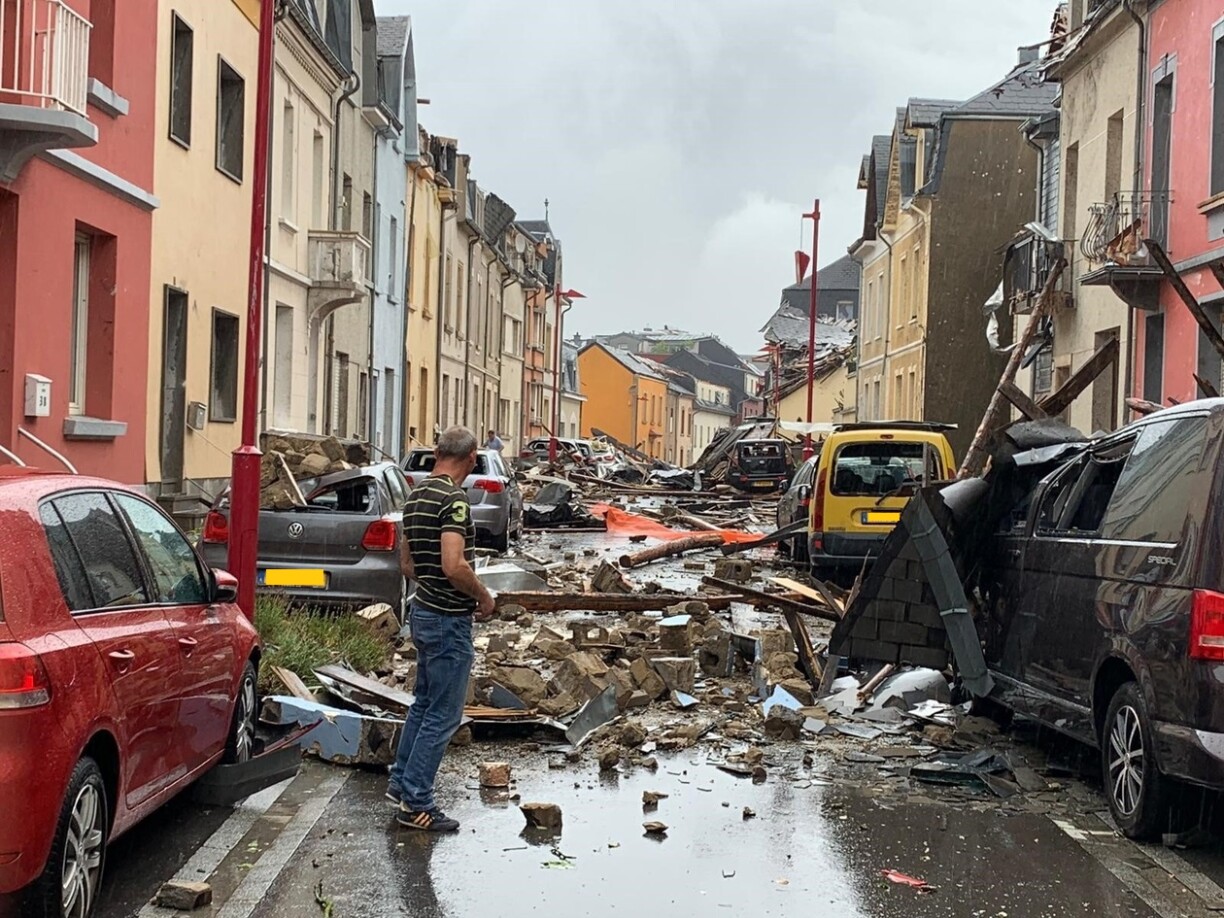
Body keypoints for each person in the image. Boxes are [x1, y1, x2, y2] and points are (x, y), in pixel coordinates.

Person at [388, 426, 495, 832]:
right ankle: (416, 802)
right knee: (444, 715)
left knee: (423, 704)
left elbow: (407, 564)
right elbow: (454, 565)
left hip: (422, 613)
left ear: (436, 454)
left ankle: (401, 783)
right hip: (449, 620)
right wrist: (482, 596)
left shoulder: (415, 496)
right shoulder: (453, 500)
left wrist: (431, 583)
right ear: (471, 459)